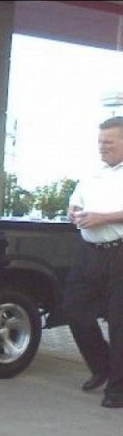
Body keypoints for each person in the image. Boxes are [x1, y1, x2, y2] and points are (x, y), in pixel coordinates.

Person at [64, 116, 123, 408]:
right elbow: (75, 201)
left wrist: (104, 217)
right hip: (89, 253)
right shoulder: (92, 173)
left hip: (120, 255)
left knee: (119, 323)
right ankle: (102, 366)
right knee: (74, 310)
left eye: (108, 142)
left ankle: (118, 389)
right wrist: (74, 212)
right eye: (100, 142)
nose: (102, 148)